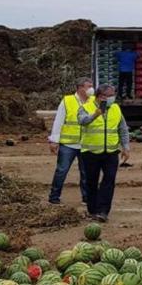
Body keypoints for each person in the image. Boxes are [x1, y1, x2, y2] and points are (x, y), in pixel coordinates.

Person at [77, 84, 129, 222]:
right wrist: (95, 114)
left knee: (109, 180)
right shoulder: (86, 107)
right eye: (109, 96)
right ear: (100, 96)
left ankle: (103, 211)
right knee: (91, 181)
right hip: (91, 152)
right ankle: (92, 209)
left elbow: (122, 128)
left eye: (113, 95)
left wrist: (126, 147)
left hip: (111, 152)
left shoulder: (116, 108)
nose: (112, 98)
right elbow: (82, 121)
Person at [47, 77, 95, 205]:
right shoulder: (67, 101)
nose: (91, 89)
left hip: (86, 144)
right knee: (62, 170)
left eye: (91, 86)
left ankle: (87, 197)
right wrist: (54, 140)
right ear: (80, 88)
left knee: (86, 172)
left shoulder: (93, 101)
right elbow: (59, 121)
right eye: (88, 86)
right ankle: (54, 196)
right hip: (68, 144)